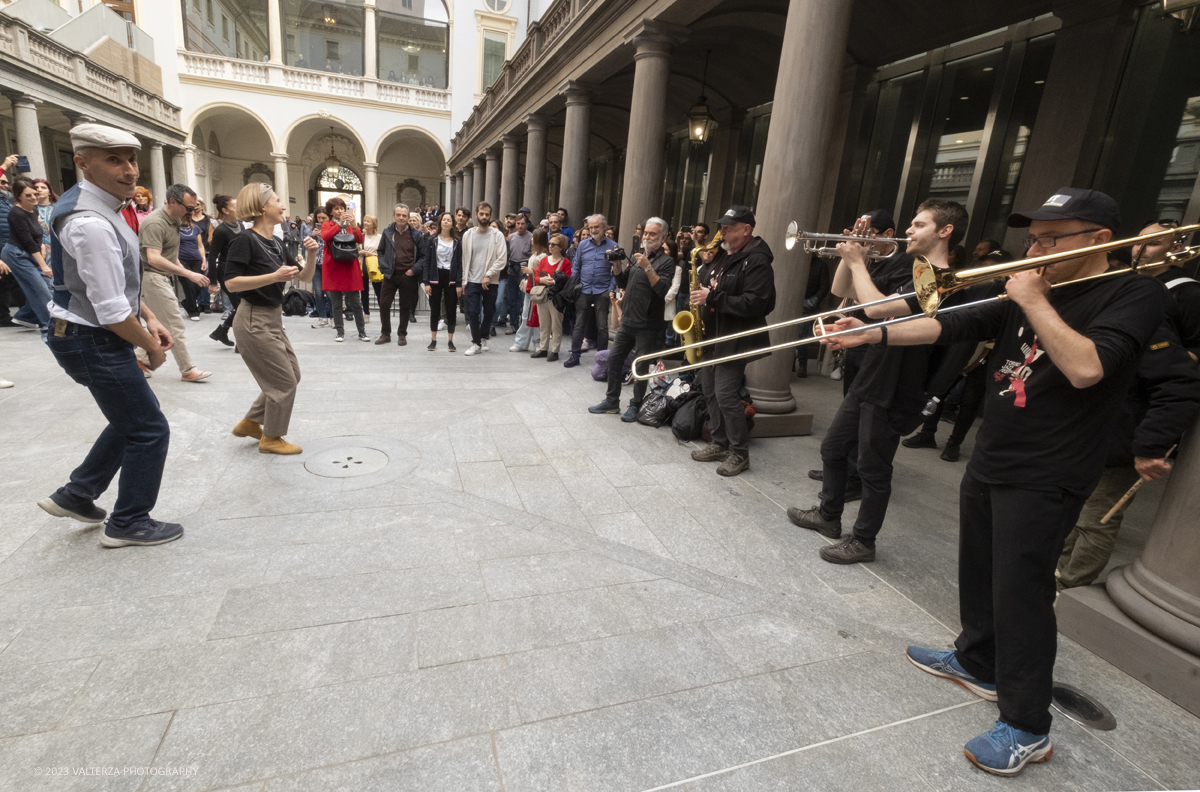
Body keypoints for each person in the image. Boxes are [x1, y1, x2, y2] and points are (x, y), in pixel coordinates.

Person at [823, 187, 1166, 778]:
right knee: (979, 568)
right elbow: (942, 325)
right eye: (1033, 237)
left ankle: (1029, 725)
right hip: (997, 454)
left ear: (1101, 241)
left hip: (1051, 469)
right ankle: (977, 658)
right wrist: (868, 333)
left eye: (1051, 239)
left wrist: (1033, 299)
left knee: (1022, 592)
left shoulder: (1132, 291)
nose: (1034, 248)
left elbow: (1087, 367)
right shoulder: (1024, 285)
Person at [789, 201, 968, 562]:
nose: (908, 231)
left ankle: (864, 541)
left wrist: (859, 261)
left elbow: (877, 310)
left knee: (873, 468)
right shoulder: (908, 265)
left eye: (919, 225)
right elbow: (845, 292)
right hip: (872, 373)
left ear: (945, 231)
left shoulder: (944, 279)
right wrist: (852, 254)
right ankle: (828, 515)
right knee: (833, 449)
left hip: (898, 385)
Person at [39, 123, 182, 547]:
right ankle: (129, 522)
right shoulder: (91, 222)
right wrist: (150, 345)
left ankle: (77, 494)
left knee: (132, 418)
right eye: (114, 160)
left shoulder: (102, 206)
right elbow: (108, 310)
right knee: (148, 428)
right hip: (90, 339)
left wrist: (150, 317)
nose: (129, 170)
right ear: (82, 162)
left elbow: (111, 284)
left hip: (85, 333)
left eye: (132, 158)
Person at [223, 183, 320, 455]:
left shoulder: (276, 243)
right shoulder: (244, 241)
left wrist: (311, 254)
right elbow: (231, 283)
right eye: (278, 200)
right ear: (263, 206)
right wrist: (274, 277)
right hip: (253, 319)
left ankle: (251, 422)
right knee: (283, 382)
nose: (283, 205)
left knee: (292, 375)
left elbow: (304, 277)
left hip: (273, 319)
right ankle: (272, 438)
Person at [684, 206, 776, 476]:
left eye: (729, 227)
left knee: (725, 394)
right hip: (712, 335)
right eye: (721, 226)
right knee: (709, 391)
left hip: (735, 339)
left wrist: (711, 298)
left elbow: (758, 303)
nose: (721, 231)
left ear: (746, 230)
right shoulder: (724, 256)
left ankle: (739, 452)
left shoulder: (757, 260)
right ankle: (720, 442)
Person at [588, 217, 676, 419]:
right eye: (645, 233)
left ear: (663, 237)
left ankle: (635, 405)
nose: (647, 237)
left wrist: (647, 266)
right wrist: (616, 264)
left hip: (648, 324)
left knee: (640, 366)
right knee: (614, 359)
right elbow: (622, 282)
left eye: (652, 234)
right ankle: (611, 402)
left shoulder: (667, 262)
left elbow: (662, 289)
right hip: (628, 320)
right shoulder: (638, 257)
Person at [135, 184, 211, 381]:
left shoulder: (175, 219)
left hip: (160, 276)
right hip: (152, 276)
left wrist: (185, 272)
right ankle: (188, 369)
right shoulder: (155, 223)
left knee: (161, 323)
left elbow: (169, 253)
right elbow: (154, 258)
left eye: (194, 208)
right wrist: (188, 274)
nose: (192, 212)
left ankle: (139, 360)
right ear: (172, 202)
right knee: (174, 324)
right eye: (188, 208)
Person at [1132, 220, 1200, 357]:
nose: (1140, 249)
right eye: (1138, 242)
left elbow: (1196, 348)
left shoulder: (1189, 292)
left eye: (1153, 243)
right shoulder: (1123, 281)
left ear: (1175, 249)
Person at [566, 214, 618, 367]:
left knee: (602, 326)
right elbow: (576, 266)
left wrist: (611, 288)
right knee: (579, 324)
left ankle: (600, 360)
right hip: (584, 289)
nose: (593, 230)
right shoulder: (582, 245)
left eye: (597, 227)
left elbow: (616, 269)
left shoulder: (613, 245)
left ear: (604, 227)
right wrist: (576, 284)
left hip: (603, 291)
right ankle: (574, 355)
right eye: (591, 227)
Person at [2, 178, 54, 330]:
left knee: (49, 288)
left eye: (34, 194)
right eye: (28, 196)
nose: (33, 198)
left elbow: (36, 235)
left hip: (32, 252)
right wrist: (43, 265)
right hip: (17, 255)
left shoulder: (34, 208)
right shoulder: (16, 213)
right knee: (41, 291)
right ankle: (50, 326)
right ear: (18, 196)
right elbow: (27, 241)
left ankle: (24, 316)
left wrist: (42, 246)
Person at [375, 204, 428, 347]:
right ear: (394, 216)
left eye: (404, 215)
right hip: (390, 275)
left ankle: (402, 334)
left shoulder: (416, 234)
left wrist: (414, 270)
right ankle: (385, 334)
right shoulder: (387, 232)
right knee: (384, 304)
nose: (401, 218)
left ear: (408, 217)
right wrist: (383, 266)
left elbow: (424, 257)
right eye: (398, 215)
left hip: (408, 276)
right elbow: (380, 251)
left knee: (405, 307)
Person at [461, 201, 507, 356]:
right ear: (476, 215)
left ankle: (483, 336)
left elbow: (502, 259)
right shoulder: (468, 235)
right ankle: (476, 342)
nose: (484, 217)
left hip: (490, 282)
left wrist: (488, 275)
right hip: (472, 280)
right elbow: (463, 259)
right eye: (481, 214)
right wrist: (463, 281)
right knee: (473, 312)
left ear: (490, 216)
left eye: (487, 214)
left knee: (489, 312)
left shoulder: (497, 235)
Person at [319, 198, 367, 342]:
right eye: (336, 209)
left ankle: (362, 332)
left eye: (342, 208)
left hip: (350, 265)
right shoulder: (327, 224)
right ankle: (340, 332)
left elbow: (359, 240)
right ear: (331, 212)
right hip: (334, 266)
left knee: (356, 303)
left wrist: (354, 225)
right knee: (336, 303)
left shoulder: (350, 224)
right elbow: (325, 237)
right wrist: (339, 225)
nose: (340, 211)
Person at [530, 233, 573, 361]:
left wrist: (554, 281)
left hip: (557, 297)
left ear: (561, 247)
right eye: (550, 243)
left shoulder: (565, 262)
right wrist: (543, 280)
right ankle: (543, 348)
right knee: (544, 324)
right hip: (543, 294)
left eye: (554, 244)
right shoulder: (544, 260)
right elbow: (536, 276)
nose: (550, 246)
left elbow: (568, 278)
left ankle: (555, 350)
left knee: (556, 325)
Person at [424, 211, 462, 352]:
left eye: (449, 220)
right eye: (444, 220)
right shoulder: (432, 240)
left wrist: (459, 284)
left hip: (451, 277)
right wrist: (426, 282)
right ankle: (433, 340)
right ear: (440, 223)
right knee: (435, 309)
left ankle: (450, 341)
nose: (446, 222)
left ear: (452, 223)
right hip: (436, 276)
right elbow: (427, 261)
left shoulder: (457, 242)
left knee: (451, 309)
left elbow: (459, 264)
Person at [207, 194, 240, 347]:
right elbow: (213, 256)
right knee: (242, 308)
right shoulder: (220, 230)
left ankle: (222, 330)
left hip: (241, 270)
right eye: (235, 205)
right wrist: (213, 281)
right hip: (227, 271)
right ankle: (241, 342)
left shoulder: (241, 225)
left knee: (243, 307)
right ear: (226, 210)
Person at [511, 227, 547, 353]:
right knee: (526, 315)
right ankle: (523, 342)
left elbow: (543, 274)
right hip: (531, 288)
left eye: (533, 237)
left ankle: (536, 343)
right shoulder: (535, 254)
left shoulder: (543, 256)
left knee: (534, 316)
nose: (531, 239)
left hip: (537, 290)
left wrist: (530, 271)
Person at [504, 213, 532, 335]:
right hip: (511, 271)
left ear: (527, 224)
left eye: (523, 224)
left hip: (524, 272)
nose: (520, 226)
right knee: (512, 300)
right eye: (518, 223)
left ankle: (523, 325)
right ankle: (513, 324)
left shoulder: (531, 237)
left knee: (523, 300)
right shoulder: (511, 237)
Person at [176, 209, 207, 320]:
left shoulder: (196, 228)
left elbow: (200, 245)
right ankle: (193, 312)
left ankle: (186, 303)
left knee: (199, 284)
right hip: (182, 260)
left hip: (196, 259)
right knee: (189, 285)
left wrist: (204, 259)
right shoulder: (175, 228)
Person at [308, 209, 332, 327]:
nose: (321, 220)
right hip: (316, 263)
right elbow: (307, 245)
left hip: (328, 264)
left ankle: (333, 317)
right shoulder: (313, 230)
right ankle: (322, 317)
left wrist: (323, 235)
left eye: (324, 218)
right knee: (318, 292)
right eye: (319, 218)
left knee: (330, 293)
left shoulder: (332, 229)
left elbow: (334, 244)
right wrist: (312, 236)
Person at [359, 215, 383, 326]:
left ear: (374, 224)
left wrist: (371, 254)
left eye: (368, 221)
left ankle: (383, 312)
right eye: (365, 221)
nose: (366, 223)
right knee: (364, 291)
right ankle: (366, 313)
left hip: (375, 266)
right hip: (362, 265)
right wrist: (360, 253)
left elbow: (383, 253)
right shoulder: (360, 237)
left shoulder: (379, 237)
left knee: (379, 291)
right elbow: (355, 249)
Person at [32, 178, 58, 251]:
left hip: (56, 246)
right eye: (36, 187)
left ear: (49, 192)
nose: (39, 190)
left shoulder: (57, 208)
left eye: (43, 188)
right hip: (36, 248)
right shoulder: (29, 209)